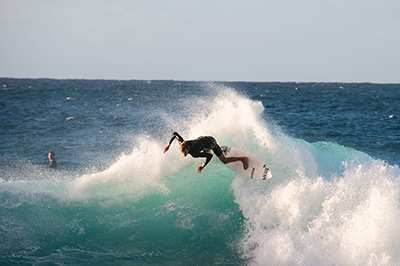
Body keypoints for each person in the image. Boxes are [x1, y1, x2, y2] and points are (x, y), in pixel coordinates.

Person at [163, 132, 248, 173]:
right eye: (182, 152)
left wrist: (202, 166)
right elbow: (174, 134)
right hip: (204, 138)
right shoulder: (183, 143)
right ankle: (216, 150)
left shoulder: (194, 153)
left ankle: (243, 159)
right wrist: (168, 145)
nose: (184, 154)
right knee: (203, 147)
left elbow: (209, 156)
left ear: (188, 148)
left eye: (184, 152)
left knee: (224, 161)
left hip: (211, 142)